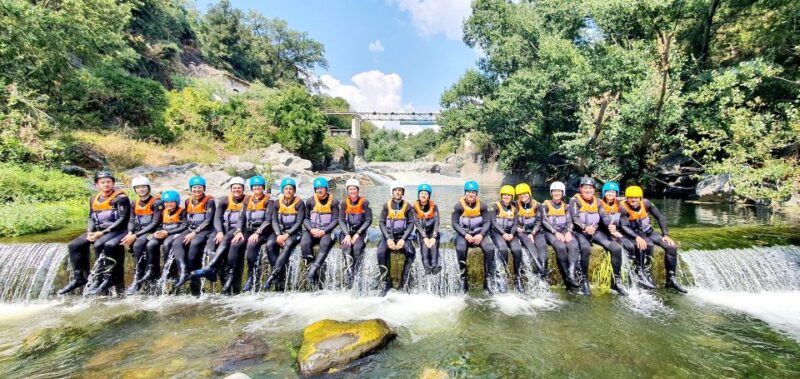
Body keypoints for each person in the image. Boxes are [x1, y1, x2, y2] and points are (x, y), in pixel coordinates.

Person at [59, 171, 131, 295]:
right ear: (97, 185)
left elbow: (122, 219)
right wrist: (90, 232)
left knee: (99, 244)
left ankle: (101, 278)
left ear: (113, 183)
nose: (106, 184)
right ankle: (79, 277)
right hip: (98, 230)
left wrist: (102, 233)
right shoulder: (93, 199)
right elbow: (91, 217)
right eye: (102, 182)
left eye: (108, 182)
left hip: (116, 230)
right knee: (74, 245)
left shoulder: (121, 198)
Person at [619, 186, 687, 293]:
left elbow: (661, 217)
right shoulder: (622, 207)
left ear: (641, 198)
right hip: (633, 233)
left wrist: (665, 234)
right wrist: (637, 237)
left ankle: (671, 279)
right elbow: (623, 226)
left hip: (648, 231)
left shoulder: (646, 203)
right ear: (626, 198)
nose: (633, 200)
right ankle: (645, 275)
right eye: (630, 197)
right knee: (646, 245)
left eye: (636, 197)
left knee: (671, 247)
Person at [568, 177, 627, 296]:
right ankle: (584, 280)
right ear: (581, 189)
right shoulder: (574, 200)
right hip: (580, 231)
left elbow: (604, 216)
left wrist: (610, 225)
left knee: (616, 248)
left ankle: (616, 282)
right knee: (585, 248)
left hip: (595, 231)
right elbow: (575, 217)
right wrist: (585, 227)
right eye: (585, 188)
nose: (588, 190)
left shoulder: (598, 201)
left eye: (590, 188)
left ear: (594, 190)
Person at [197, 177, 248, 295]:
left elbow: (242, 219)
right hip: (224, 229)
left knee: (228, 242)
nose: (236, 190)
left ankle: (210, 267)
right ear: (231, 189)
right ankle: (215, 272)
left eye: (239, 188)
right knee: (212, 243)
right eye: (234, 188)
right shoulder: (224, 200)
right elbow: (217, 218)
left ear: (243, 189)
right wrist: (219, 231)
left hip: (239, 229)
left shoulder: (247, 200)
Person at [452, 180, 498, 294]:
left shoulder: (482, 206)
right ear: (465, 193)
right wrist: (465, 234)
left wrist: (481, 234)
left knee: (490, 249)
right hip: (464, 233)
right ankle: (463, 279)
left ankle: (488, 280)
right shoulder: (458, 206)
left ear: (476, 193)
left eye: (473, 192)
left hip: (479, 233)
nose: (471, 194)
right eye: (469, 192)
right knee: (460, 249)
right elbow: (455, 223)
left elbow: (487, 222)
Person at [172, 176, 215, 296]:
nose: (197, 190)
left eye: (199, 187)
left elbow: (208, 220)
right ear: (191, 189)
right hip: (191, 229)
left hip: (205, 229)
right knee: (177, 243)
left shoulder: (210, 201)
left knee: (195, 243)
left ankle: (193, 274)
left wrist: (194, 232)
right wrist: (180, 233)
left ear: (203, 188)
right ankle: (183, 271)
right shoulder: (187, 201)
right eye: (194, 188)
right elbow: (187, 220)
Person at [122, 176, 163, 295]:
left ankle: (142, 277)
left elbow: (155, 223)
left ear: (148, 188)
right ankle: (139, 276)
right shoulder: (134, 203)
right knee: (136, 243)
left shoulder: (157, 202)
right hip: (140, 232)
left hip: (153, 232)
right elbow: (131, 220)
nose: (141, 189)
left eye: (143, 187)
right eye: (138, 187)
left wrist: (136, 236)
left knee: (139, 244)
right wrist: (130, 232)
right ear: (135, 189)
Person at [263, 178, 306, 291]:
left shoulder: (300, 203)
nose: (288, 191)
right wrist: (278, 234)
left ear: (294, 190)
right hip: (280, 231)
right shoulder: (276, 203)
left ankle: (273, 274)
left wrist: (286, 235)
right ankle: (280, 273)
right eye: (286, 188)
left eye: (291, 189)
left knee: (288, 244)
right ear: (282, 190)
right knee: (270, 244)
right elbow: (274, 220)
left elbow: (299, 221)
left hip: (294, 232)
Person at [599, 182, 645, 290]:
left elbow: (623, 222)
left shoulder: (620, 206)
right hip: (602, 231)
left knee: (630, 246)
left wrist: (619, 232)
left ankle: (632, 275)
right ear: (604, 192)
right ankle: (616, 281)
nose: (611, 194)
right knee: (617, 249)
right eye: (608, 192)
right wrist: (611, 229)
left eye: (613, 192)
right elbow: (604, 219)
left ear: (617, 194)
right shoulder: (599, 204)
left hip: (615, 231)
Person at [539, 181, 581, 291]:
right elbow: (544, 221)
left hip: (563, 230)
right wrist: (555, 232)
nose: (557, 193)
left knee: (573, 245)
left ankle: (571, 275)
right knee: (561, 246)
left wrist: (569, 232)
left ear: (563, 193)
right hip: (549, 231)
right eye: (554, 191)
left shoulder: (566, 206)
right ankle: (567, 276)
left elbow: (570, 221)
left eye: (559, 191)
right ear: (551, 193)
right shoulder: (544, 205)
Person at [377, 181, 416, 295]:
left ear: (402, 192)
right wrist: (388, 238)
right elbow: (381, 223)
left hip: (402, 236)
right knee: (380, 252)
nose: (398, 192)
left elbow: (411, 224)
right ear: (392, 192)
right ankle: (385, 282)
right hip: (388, 236)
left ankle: (405, 283)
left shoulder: (408, 206)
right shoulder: (386, 206)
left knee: (410, 252)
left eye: (400, 190)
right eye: (395, 190)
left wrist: (403, 239)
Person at [301, 177, 340, 288]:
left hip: (326, 231)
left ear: (326, 189)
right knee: (304, 243)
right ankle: (311, 271)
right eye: (317, 188)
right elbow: (305, 218)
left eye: (322, 188)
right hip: (312, 230)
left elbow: (336, 220)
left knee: (324, 244)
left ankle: (313, 270)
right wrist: (311, 229)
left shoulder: (334, 202)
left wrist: (324, 231)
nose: (319, 190)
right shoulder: (310, 201)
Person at [237, 175, 274, 292]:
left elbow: (268, 220)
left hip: (264, 231)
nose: (257, 188)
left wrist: (257, 233)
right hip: (249, 229)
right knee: (236, 243)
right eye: (254, 186)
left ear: (263, 187)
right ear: (251, 187)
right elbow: (241, 217)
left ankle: (252, 276)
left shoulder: (269, 201)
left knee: (251, 245)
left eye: (259, 186)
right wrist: (238, 231)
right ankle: (232, 275)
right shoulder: (247, 200)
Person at [339, 178, 372, 288]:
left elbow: (368, 220)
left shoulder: (365, 203)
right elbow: (341, 220)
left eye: (354, 189)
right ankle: (349, 275)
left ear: (358, 190)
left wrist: (358, 233)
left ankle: (357, 274)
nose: (352, 191)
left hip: (360, 232)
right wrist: (347, 235)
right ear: (347, 190)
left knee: (357, 248)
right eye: (350, 189)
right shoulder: (344, 203)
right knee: (346, 249)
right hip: (347, 232)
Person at [151, 190, 186, 288]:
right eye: (166, 202)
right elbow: (159, 225)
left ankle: (172, 273)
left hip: (174, 234)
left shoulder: (182, 211)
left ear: (176, 202)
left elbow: (185, 225)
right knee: (151, 243)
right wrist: (157, 232)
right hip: (164, 232)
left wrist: (169, 233)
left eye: (171, 202)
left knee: (167, 244)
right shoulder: (163, 212)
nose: (169, 204)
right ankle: (153, 272)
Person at [514, 183, 548, 281]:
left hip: (535, 231)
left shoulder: (538, 205)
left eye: (525, 193)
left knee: (542, 245)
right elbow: (510, 218)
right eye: (520, 194)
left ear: (529, 193)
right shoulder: (514, 204)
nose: (522, 196)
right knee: (529, 243)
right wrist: (516, 228)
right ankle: (541, 270)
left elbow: (539, 222)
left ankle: (542, 273)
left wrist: (533, 233)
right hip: (521, 231)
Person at [490, 185, 521, 292]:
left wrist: (511, 234)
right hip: (497, 232)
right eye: (504, 195)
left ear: (512, 197)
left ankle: (518, 278)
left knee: (517, 249)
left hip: (509, 233)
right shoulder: (495, 207)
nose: (506, 197)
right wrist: (503, 233)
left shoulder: (514, 210)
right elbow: (493, 222)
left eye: (508, 195)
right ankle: (501, 279)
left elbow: (515, 224)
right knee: (503, 249)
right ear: (501, 196)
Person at [413, 184, 440, 275]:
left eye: (426, 194)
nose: (423, 195)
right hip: (421, 232)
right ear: (418, 195)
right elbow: (416, 223)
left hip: (432, 231)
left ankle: (435, 266)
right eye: (421, 193)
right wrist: (424, 237)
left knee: (433, 245)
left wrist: (433, 237)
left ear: (429, 196)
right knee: (425, 245)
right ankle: (426, 266)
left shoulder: (434, 207)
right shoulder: (414, 208)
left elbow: (437, 221)